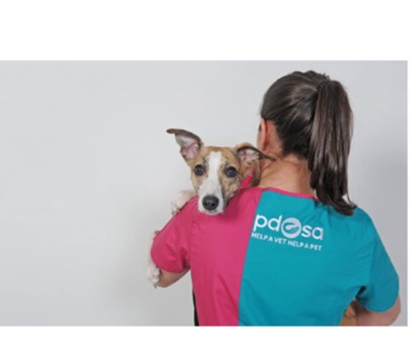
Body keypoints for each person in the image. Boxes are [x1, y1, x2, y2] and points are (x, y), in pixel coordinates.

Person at [150, 70, 401, 326]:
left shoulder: (204, 210)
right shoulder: (357, 229)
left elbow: (161, 276)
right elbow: (385, 313)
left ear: (265, 131)